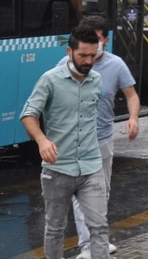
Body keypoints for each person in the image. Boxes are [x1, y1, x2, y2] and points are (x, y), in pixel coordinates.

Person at [20, 25, 110, 259]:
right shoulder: (50, 79)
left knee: (99, 228)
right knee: (55, 229)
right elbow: (28, 114)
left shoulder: (97, 80)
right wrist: (41, 141)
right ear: (69, 51)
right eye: (83, 55)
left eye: (93, 55)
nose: (89, 60)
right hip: (58, 168)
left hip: (91, 167)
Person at [56, 16, 140, 259]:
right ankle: (88, 245)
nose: (91, 50)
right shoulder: (65, 64)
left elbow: (132, 96)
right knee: (81, 193)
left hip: (102, 139)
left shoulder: (116, 66)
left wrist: (133, 118)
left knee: (100, 193)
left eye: (98, 40)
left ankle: (98, 240)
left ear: (106, 40)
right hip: (74, 141)